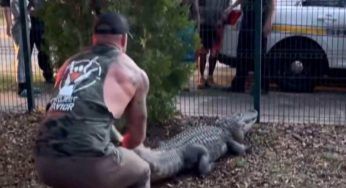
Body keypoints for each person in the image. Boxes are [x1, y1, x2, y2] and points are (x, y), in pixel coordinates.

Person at [34, 12, 151, 188]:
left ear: (93, 38)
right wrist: (120, 147)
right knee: (142, 170)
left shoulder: (68, 65)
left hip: (45, 163)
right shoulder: (134, 72)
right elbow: (135, 138)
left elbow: (63, 110)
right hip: (90, 165)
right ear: (124, 40)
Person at [224, 0, 276, 93]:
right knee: (242, 52)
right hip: (247, 16)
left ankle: (262, 86)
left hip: (260, 17)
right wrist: (232, 6)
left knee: (259, 54)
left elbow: (272, 4)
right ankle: (238, 85)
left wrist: (269, 21)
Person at [1, 0, 41, 96]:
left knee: (26, 56)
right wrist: (29, 8)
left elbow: (28, 10)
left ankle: (28, 84)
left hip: (26, 26)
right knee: (22, 56)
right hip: (19, 27)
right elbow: (17, 13)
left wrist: (32, 5)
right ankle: (21, 86)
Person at [197, 0, 230, 89]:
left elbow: (227, 7)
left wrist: (222, 18)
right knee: (203, 51)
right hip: (205, 23)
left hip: (218, 24)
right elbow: (199, 5)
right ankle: (201, 77)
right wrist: (200, 18)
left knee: (214, 51)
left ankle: (210, 77)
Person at [28, 0, 54, 83]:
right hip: (28, 23)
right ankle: (26, 79)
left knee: (44, 50)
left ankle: (48, 75)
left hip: (41, 22)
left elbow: (47, 7)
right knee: (26, 52)